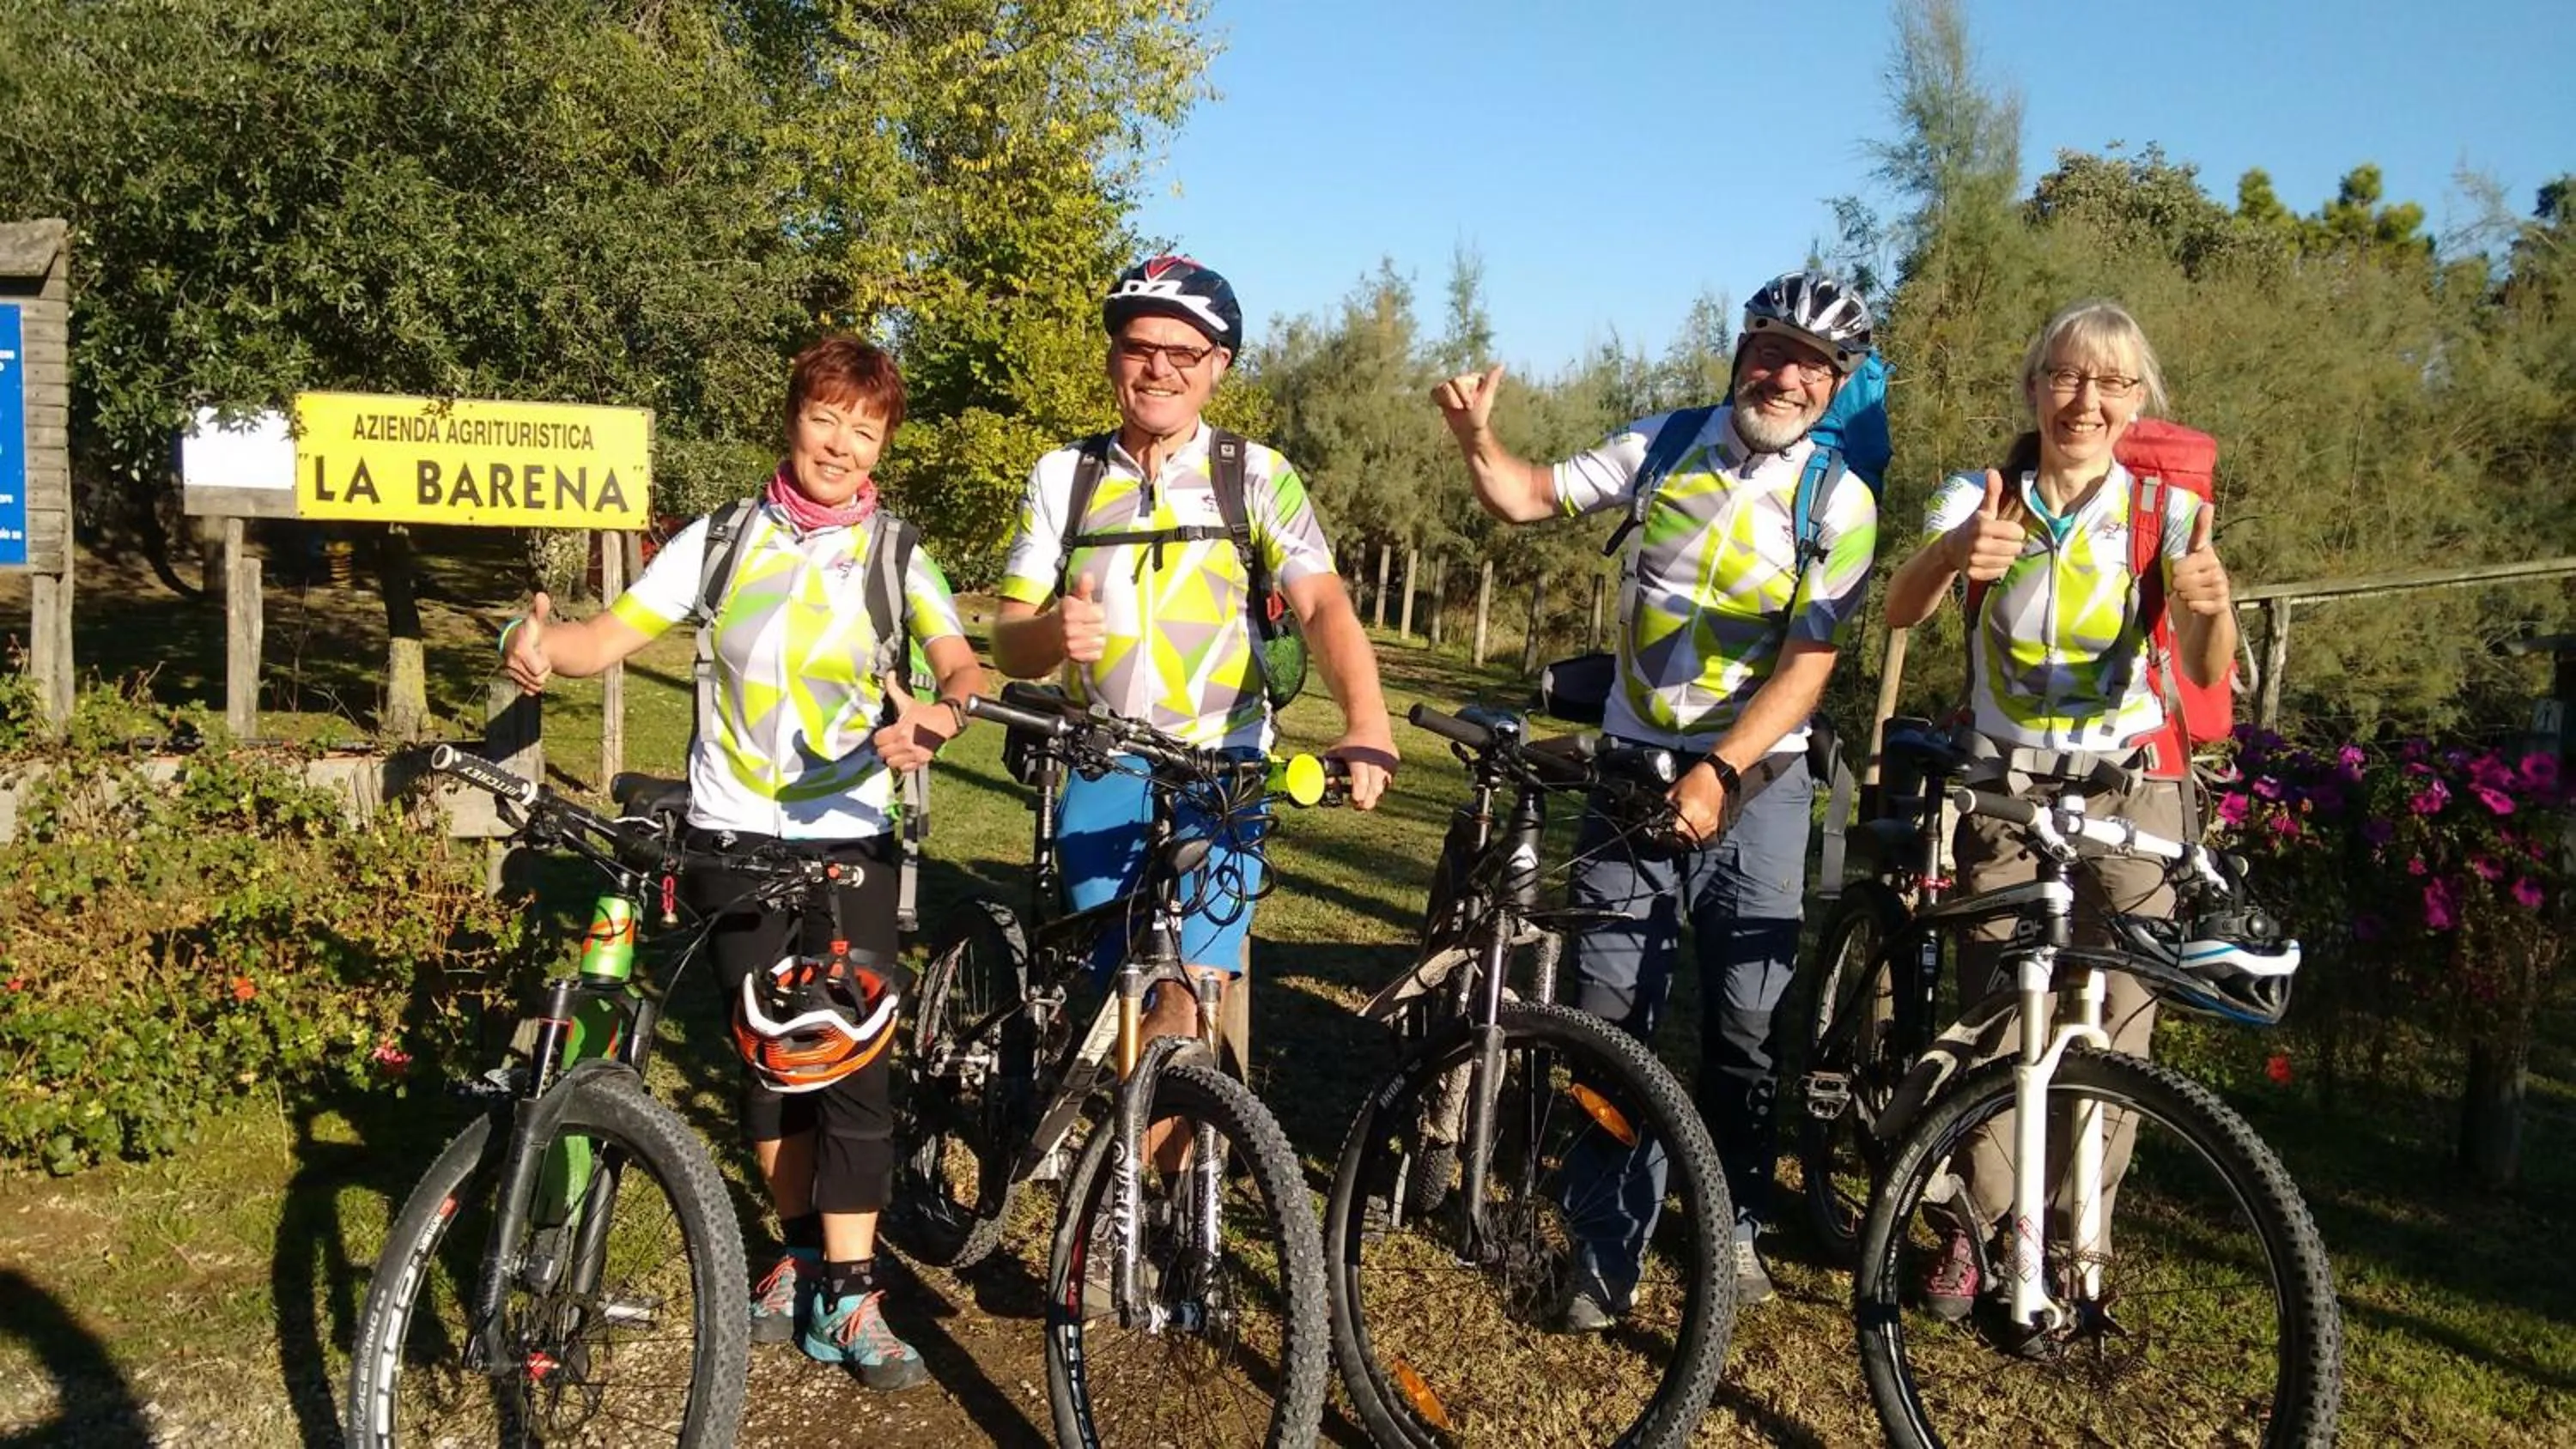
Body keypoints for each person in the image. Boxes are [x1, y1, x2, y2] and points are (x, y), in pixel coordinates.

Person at [499, 335, 983, 1391]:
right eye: (828, 418)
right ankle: (802, 1252)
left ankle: (849, 1297)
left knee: (851, 1065)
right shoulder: (720, 540)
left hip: (850, 842)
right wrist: (536, 641)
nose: (843, 444)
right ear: (794, 416)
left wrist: (939, 718)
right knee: (771, 1062)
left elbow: (961, 663)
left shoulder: (899, 553)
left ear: (883, 441)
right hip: (728, 838)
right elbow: (603, 637)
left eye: (867, 428)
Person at [1434, 270, 1882, 1313]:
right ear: (1741, 354)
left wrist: (1722, 769)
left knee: (1743, 1022)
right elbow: (1526, 496)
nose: (1786, 375)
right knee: (1608, 1011)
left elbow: (1808, 666)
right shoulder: (1664, 442)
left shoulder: (1840, 501)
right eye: (1771, 349)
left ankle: (1732, 1219)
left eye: (1813, 364)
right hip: (1633, 774)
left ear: (1836, 385)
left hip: (1757, 784)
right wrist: (1474, 436)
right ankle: (1606, 1241)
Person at [1879, 297, 2237, 1320]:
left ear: (2137, 403)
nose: (2086, 399)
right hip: (2006, 785)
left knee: (2117, 1029)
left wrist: (2209, 608)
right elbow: (1900, 612)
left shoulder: (2163, 515)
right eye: (2067, 377)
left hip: (2130, 793)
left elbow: (2208, 670)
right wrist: (1954, 556)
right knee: (1999, 1009)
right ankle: (1975, 1227)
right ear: (2035, 386)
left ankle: (2081, 1246)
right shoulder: (1980, 492)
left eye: (2112, 382)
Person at [990, 254, 1395, 1060]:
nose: (1159, 369)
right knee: (1115, 989)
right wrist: (1049, 636)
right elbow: (1007, 637)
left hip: (1224, 767)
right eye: (1141, 347)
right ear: (1113, 357)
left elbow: (1321, 602)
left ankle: (1153, 1180)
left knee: (1185, 998)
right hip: (1105, 763)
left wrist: (1368, 720)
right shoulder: (1064, 476)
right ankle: (1105, 1136)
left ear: (1220, 367)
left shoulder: (1256, 476)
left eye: (1185, 353)